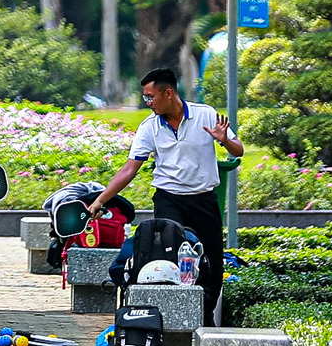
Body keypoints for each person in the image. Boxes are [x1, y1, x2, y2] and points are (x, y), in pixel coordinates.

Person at [86, 67, 244, 325]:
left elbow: (238, 151)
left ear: (168, 92)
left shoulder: (205, 114)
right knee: (170, 257)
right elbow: (129, 169)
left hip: (203, 199)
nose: (148, 103)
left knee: (212, 262)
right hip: (169, 199)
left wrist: (224, 140)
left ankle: (204, 319)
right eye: (145, 97)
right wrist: (101, 199)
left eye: (151, 97)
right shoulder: (149, 127)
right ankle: (173, 317)